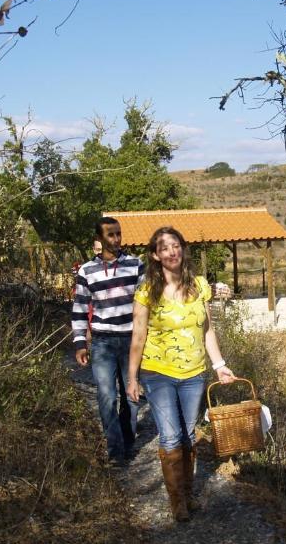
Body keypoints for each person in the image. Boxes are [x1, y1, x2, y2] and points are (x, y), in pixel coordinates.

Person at [127, 226, 236, 522]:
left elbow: (207, 330)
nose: (171, 252)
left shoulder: (200, 286)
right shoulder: (147, 291)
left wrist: (219, 365)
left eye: (175, 246)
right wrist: (132, 377)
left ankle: (188, 494)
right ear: (155, 255)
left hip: (194, 374)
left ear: (182, 249)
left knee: (188, 434)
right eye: (164, 248)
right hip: (158, 372)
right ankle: (177, 502)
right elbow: (137, 336)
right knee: (172, 435)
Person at [72, 217, 144, 466]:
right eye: (110, 235)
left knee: (131, 396)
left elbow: (147, 305)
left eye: (118, 234)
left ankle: (128, 441)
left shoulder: (136, 265)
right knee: (106, 396)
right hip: (102, 342)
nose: (116, 239)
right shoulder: (86, 271)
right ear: (99, 239)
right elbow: (80, 308)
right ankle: (115, 451)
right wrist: (80, 342)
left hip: (131, 341)